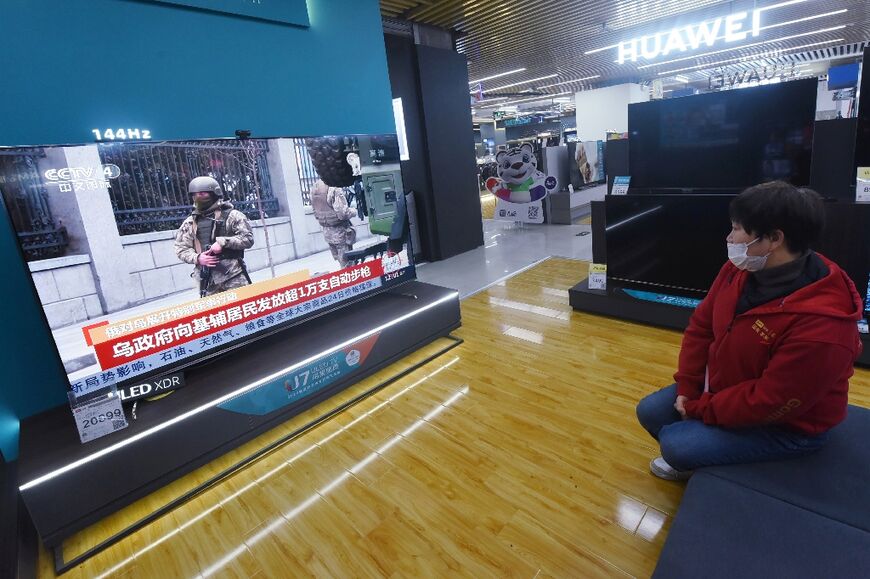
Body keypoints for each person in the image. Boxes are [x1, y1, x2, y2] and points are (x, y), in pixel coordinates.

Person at [636, 181, 864, 481]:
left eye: (737, 228)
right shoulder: (741, 270)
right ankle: (710, 452)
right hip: (727, 389)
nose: (730, 237)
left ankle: (729, 469)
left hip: (788, 426)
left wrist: (700, 408)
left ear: (773, 239)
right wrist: (690, 389)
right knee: (651, 411)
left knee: (677, 446)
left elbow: (771, 399)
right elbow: (701, 328)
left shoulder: (823, 326)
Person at [174, 176, 254, 296]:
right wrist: (198, 258)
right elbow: (181, 248)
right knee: (216, 314)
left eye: (202, 194)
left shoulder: (233, 216)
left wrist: (223, 242)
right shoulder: (190, 222)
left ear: (214, 194)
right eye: (195, 195)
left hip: (233, 276)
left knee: (245, 309)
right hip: (206, 280)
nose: (198, 197)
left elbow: (248, 239)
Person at [310, 179, 357, 267]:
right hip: (340, 232)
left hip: (327, 232)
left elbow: (315, 211)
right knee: (348, 264)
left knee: (341, 261)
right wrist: (354, 211)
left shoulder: (315, 187)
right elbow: (343, 213)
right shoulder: (333, 188)